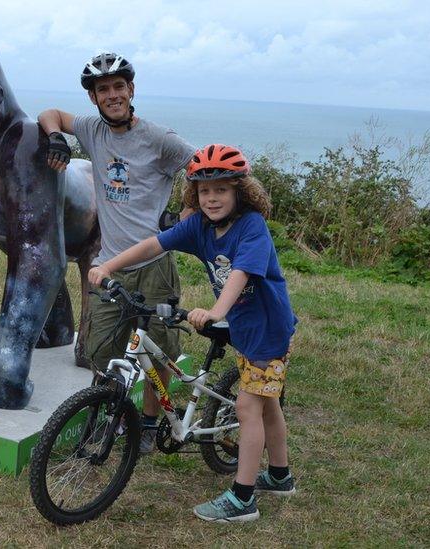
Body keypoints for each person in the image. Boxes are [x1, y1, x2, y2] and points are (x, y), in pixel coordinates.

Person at [88, 144, 298, 523]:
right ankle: (280, 476)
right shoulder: (200, 225)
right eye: (203, 191)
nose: (212, 198)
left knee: (251, 407)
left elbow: (241, 273)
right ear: (193, 195)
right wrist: (109, 265)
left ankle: (243, 498)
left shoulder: (252, 227)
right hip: (244, 328)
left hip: (268, 329)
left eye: (221, 189)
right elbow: (154, 244)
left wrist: (216, 312)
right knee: (266, 404)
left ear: (240, 191)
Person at [38, 52, 195, 454]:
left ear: (131, 90)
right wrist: (56, 136)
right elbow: (51, 113)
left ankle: (145, 423)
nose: (112, 95)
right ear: (93, 97)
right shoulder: (92, 130)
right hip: (108, 264)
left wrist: (187, 214)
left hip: (153, 265)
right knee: (101, 352)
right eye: (102, 89)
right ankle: (102, 416)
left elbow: (201, 168)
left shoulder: (158, 138)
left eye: (118, 87)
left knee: (157, 349)